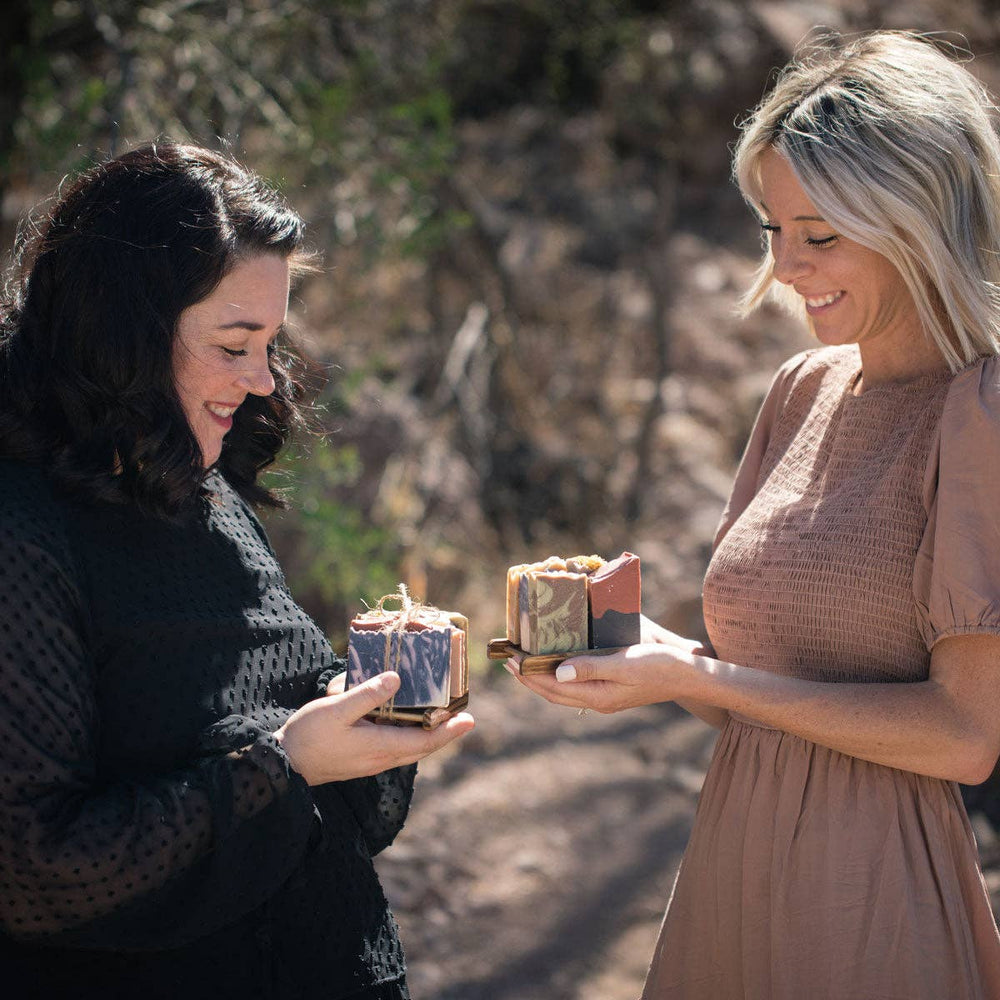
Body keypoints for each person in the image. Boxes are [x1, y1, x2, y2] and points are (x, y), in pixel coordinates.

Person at [507, 30, 1000, 999]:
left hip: (871, 899)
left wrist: (703, 673)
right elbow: (745, 689)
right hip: (730, 873)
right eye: (774, 230)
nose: (786, 267)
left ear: (916, 219)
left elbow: (963, 734)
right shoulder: (797, 389)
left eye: (821, 235)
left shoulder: (975, 414)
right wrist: (636, 651)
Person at [0, 141, 474, 999]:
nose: (261, 381)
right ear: (124, 339)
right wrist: (284, 765)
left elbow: (262, 712)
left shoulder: (194, 483)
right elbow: (35, 870)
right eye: (233, 344)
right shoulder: (21, 535)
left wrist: (376, 695)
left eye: (271, 342)